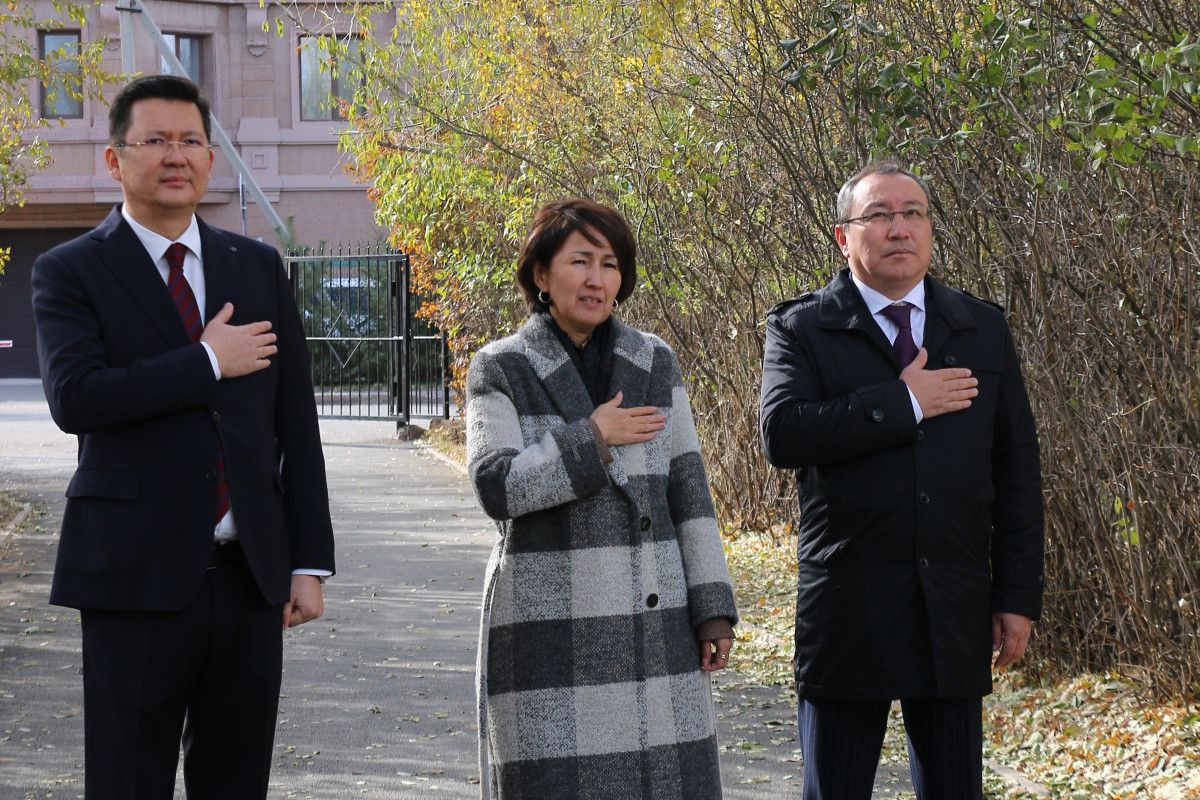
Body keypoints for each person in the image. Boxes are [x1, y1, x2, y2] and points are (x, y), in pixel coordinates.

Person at [30, 75, 335, 799]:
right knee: (127, 782)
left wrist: (308, 562)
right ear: (115, 159)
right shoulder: (70, 270)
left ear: (210, 157)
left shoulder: (255, 266)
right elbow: (75, 398)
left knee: (236, 783)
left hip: (248, 578)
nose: (177, 155)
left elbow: (295, 422)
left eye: (192, 140)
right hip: (131, 578)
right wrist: (206, 361)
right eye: (156, 140)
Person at [759, 159, 1045, 800]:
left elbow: (1017, 471)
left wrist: (1017, 595)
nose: (899, 228)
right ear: (843, 237)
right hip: (848, 607)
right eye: (879, 215)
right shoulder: (803, 327)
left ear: (930, 230)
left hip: (952, 605)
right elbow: (784, 434)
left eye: (913, 213)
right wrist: (905, 400)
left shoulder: (979, 327)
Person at [466, 198, 739, 798]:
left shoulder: (654, 360)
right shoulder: (500, 367)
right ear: (541, 274)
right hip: (547, 627)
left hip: (654, 617)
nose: (596, 279)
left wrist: (712, 606)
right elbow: (495, 484)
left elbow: (689, 490)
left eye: (610, 264)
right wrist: (592, 438)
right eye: (580, 261)